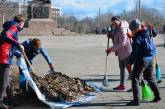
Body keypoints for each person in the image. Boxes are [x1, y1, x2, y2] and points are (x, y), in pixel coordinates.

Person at [127, 19, 161, 106]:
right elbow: (153, 34)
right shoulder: (147, 31)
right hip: (150, 58)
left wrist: (130, 62)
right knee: (149, 77)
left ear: (135, 29)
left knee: (135, 79)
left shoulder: (137, 36)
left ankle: (136, 101)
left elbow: (135, 52)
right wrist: (152, 29)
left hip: (142, 59)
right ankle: (157, 96)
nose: (132, 31)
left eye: (132, 29)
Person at [0, 14, 25, 109]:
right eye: (23, 24)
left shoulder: (11, 27)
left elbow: (12, 47)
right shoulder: (14, 27)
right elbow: (6, 36)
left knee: (8, 80)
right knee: (5, 80)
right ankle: (1, 102)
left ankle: (11, 101)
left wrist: (19, 53)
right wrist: (18, 43)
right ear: (21, 23)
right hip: (3, 57)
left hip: (5, 56)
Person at [106, 16, 132, 90]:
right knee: (122, 68)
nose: (115, 24)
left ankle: (135, 85)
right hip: (120, 52)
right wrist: (110, 36)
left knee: (130, 70)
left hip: (126, 52)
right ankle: (122, 85)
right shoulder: (116, 28)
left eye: (115, 23)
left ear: (119, 20)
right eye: (113, 23)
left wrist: (110, 49)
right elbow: (117, 37)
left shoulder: (123, 29)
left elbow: (122, 43)